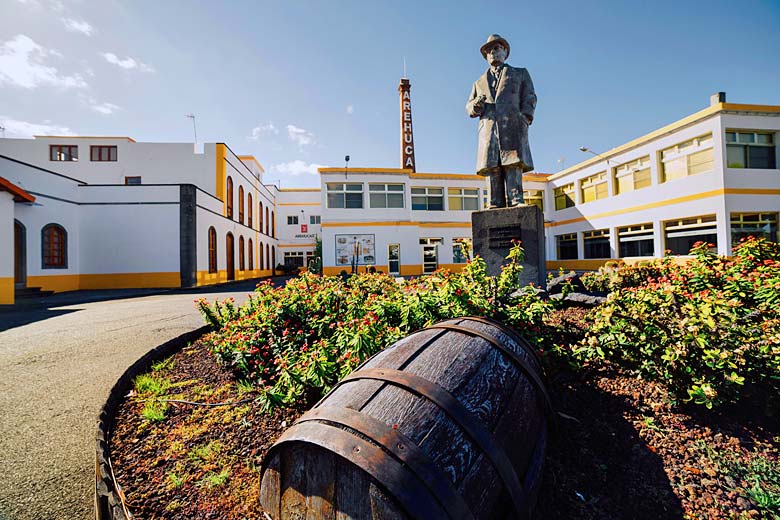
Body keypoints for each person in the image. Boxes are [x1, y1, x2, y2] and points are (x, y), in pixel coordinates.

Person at [466, 34, 537, 208]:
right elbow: (469, 107)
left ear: (505, 51)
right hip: (489, 129)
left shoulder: (519, 73)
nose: (492, 53)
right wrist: (476, 104)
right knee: (492, 167)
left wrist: (524, 118)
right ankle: (494, 202)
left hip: (512, 126)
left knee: (512, 164)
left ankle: (516, 200)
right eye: (488, 51)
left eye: (496, 49)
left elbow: (530, 97)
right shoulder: (479, 82)